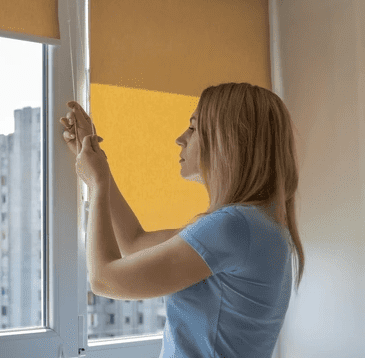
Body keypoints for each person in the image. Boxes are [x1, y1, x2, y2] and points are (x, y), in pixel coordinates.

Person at [59, 82, 305, 358]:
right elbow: (135, 242)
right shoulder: (257, 225)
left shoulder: (233, 227)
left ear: (228, 139)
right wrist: (99, 166)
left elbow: (104, 280)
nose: (180, 138)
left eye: (192, 127)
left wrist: (98, 184)